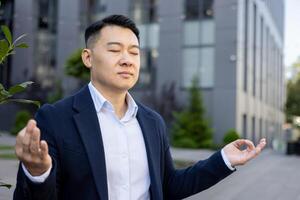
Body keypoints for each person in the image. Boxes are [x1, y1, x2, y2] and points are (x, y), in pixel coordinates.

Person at [13, 15, 266, 200]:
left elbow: (169, 186)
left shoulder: (152, 122)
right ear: (88, 57)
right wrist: (38, 173)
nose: (127, 59)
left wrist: (223, 160)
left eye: (134, 53)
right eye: (114, 50)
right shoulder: (56, 118)